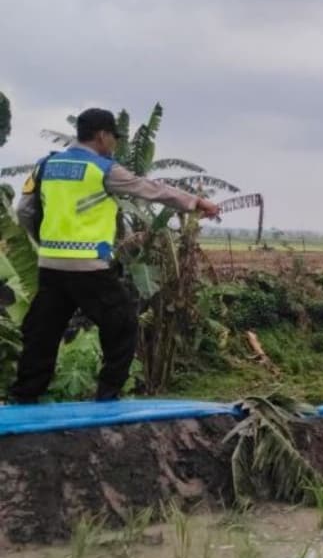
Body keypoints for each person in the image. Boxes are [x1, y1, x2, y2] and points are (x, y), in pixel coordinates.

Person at [5, 108, 220, 403]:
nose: (115, 144)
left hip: (51, 265)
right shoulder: (103, 169)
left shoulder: (46, 166)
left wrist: (46, 242)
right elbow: (150, 190)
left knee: (43, 331)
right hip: (89, 267)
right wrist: (195, 201)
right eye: (113, 138)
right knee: (122, 326)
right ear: (102, 135)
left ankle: (24, 396)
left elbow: (24, 211)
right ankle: (107, 396)